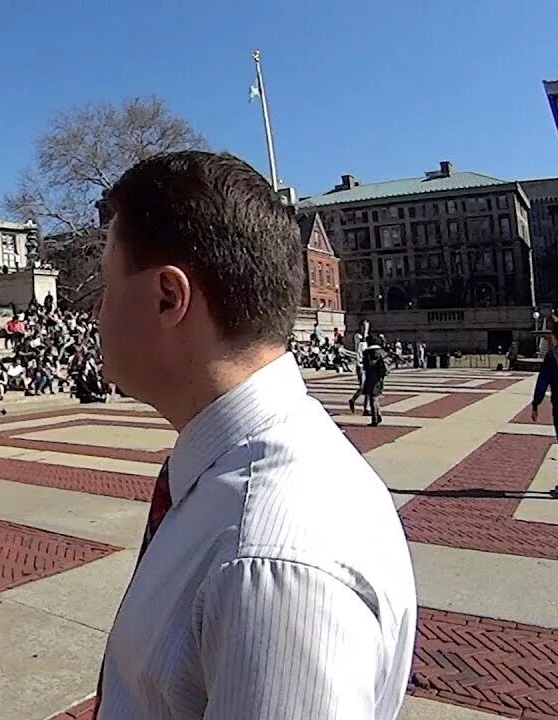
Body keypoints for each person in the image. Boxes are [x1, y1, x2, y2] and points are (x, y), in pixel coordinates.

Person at [92, 151, 416, 719]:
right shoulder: (240, 482)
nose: (97, 313)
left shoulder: (268, 564)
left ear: (169, 297)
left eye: (106, 285)